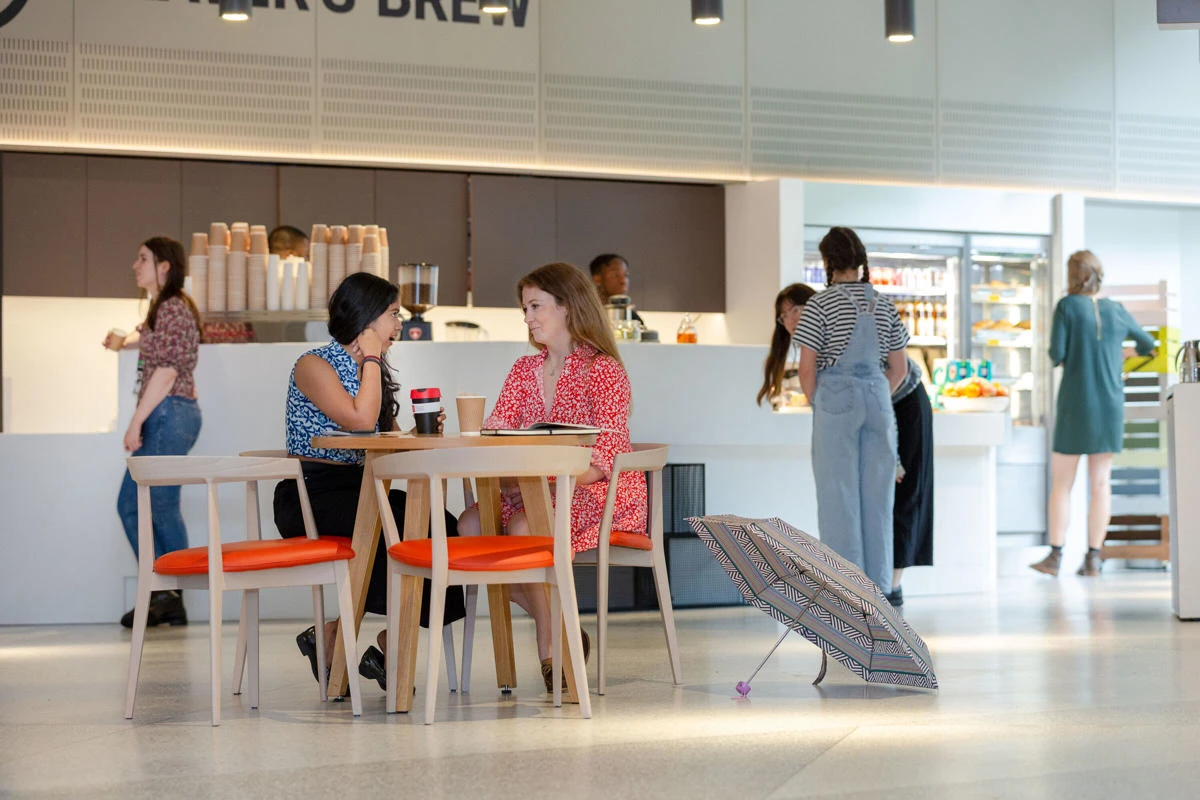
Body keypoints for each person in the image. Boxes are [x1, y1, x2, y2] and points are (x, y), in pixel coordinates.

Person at [458, 262, 646, 692]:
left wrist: (538, 481)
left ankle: (549, 649)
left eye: (535, 306)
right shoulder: (523, 370)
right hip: (535, 489)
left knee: (523, 528)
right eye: (525, 308)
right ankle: (562, 628)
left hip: (597, 492)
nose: (527, 317)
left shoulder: (603, 370)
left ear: (567, 306)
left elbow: (604, 457)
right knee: (470, 526)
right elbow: (498, 431)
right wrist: (515, 479)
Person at [273, 272, 465, 689]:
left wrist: (415, 435)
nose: (399, 324)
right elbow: (360, 421)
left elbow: (382, 442)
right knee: (389, 526)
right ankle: (343, 638)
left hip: (361, 490)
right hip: (312, 494)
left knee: (440, 526)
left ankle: (384, 640)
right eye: (393, 314)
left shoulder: (372, 371)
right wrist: (373, 360)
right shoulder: (314, 364)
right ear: (366, 316)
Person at [794, 227, 908, 597]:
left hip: (836, 400)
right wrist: (873, 393)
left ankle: (845, 591)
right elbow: (900, 369)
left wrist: (822, 402)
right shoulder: (884, 304)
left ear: (827, 261)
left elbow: (806, 369)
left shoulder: (820, 305)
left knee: (838, 498)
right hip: (878, 399)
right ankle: (878, 594)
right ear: (861, 261)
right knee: (878, 501)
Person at [1030, 250, 1156, 578]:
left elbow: (1057, 353)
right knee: (1101, 483)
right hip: (1110, 403)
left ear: (1072, 275)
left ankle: (1055, 556)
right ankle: (1093, 559)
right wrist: (1120, 355)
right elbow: (1148, 345)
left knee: (1063, 484)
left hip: (1076, 402)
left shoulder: (1067, 307)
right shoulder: (1116, 309)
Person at [104, 237, 203, 628]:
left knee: (156, 505)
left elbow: (167, 371)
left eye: (143, 258)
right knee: (140, 505)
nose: (135, 265)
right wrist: (123, 342)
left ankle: (170, 594)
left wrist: (135, 422)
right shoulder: (163, 310)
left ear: (165, 266)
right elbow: (153, 346)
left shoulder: (173, 308)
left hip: (169, 413)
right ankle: (166, 594)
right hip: (168, 414)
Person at [756, 283, 817, 408]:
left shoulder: (834, 351)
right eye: (784, 316)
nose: (791, 320)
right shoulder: (781, 356)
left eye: (796, 310)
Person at [589, 253, 644, 325]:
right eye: (615, 275)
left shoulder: (631, 316)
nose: (623, 281)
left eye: (626, 275)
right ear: (597, 279)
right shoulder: (587, 314)